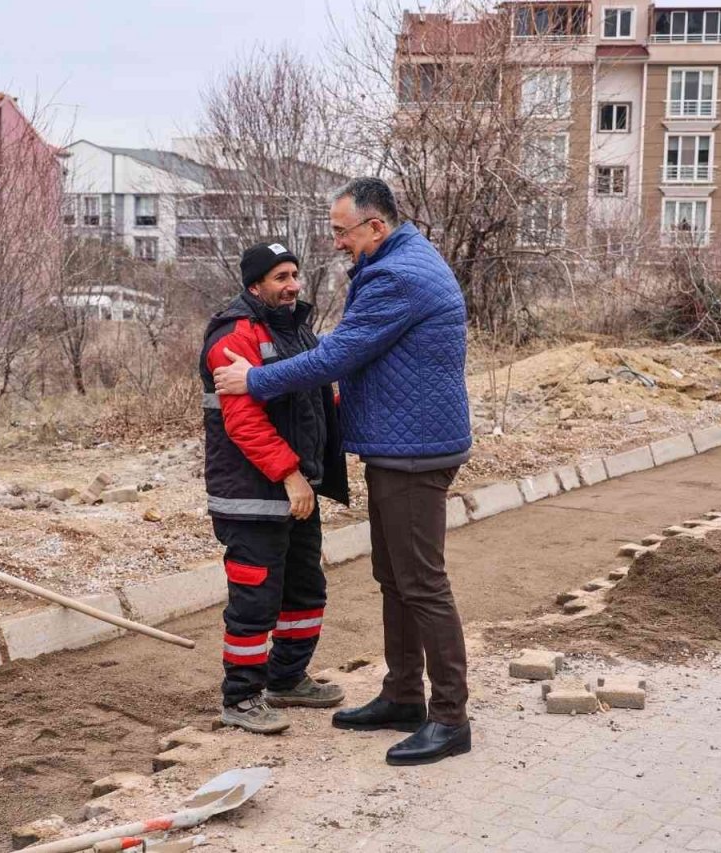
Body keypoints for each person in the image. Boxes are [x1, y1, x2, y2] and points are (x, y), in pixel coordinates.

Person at [213, 178, 472, 765]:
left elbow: (338, 355)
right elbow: (351, 346)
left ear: (374, 227)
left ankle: (450, 716)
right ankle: (404, 696)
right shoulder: (405, 257)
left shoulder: (396, 276)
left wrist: (254, 379)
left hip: (414, 452)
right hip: (402, 443)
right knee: (395, 577)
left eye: (340, 231)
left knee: (422, 584)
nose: (335, 243)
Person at [199, 241, 350, 734]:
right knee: (255, 601)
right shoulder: (233, 337)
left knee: (306, 590)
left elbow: (317, 401)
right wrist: (289, 475)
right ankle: (240, 699)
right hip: (253, 494)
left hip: (296, 488)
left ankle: (287, 679)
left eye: (295, 275)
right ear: (254, 285)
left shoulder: (296, 331)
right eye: (281, 277)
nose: (292, 286)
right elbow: (244, 422)